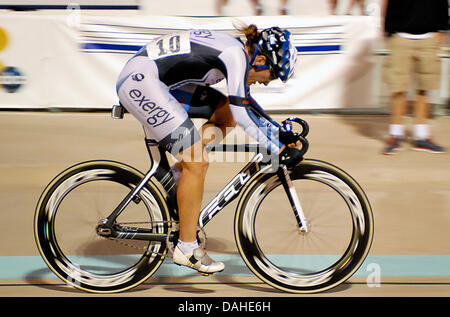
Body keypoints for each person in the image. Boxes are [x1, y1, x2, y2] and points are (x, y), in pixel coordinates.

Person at [116, 24, 300, 274]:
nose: (267, 83)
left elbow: (242, 106)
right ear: (260, 59)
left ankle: (183, 175)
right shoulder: (236, 55)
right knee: (198, 161)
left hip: (152, 79)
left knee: (225, 115)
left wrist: (278, 133)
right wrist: (277, 148)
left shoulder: (236, 52)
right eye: (273, 76)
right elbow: (245, 115)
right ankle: (187, 248)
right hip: (142, 83)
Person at [381, 0, 448, 155]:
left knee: (425, 87)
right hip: (401, 36)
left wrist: (443, 29)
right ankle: (396, 135)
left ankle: (421, 136)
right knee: (398, 88)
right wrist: (387, 31)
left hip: (429, 37)